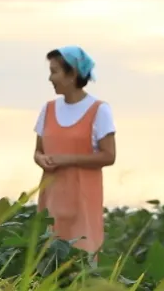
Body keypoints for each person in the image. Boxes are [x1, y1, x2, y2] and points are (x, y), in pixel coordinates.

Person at [32, 46, 117, 254]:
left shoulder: (99, 110)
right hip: (51, 197)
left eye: (54, 72)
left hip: (82, 199)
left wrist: (66, 160)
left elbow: (109, 156)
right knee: (46, 255)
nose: (50, 78)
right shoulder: (48, 109)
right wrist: (41, 159)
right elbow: (38, 151)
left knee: (80, 257)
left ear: (72, 75)